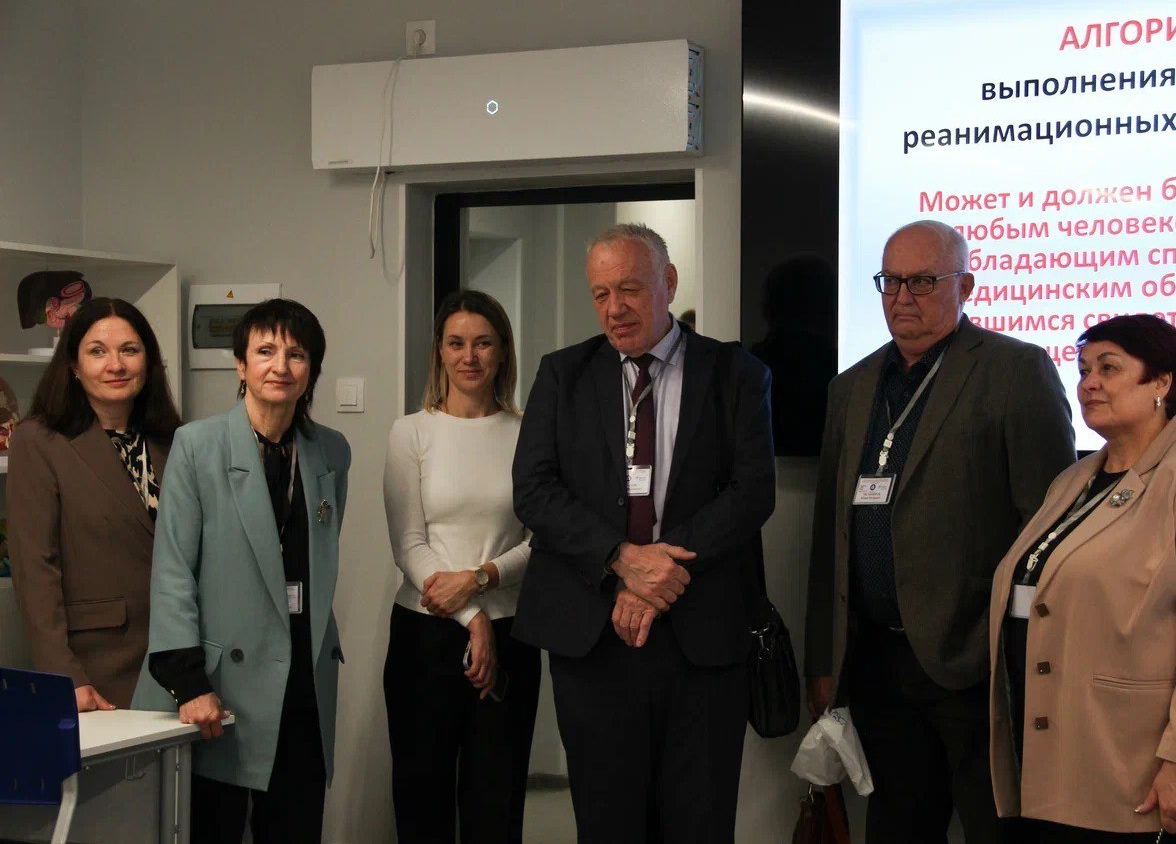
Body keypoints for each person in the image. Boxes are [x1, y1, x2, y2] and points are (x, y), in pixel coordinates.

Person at [805, 220, 1076, 842]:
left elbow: (1049, 527)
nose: (903, 297)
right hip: (876, 663)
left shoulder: (1015, 370)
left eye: (923, 281)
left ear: (966, 286)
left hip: (974, 663)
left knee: (994, 827)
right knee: (896, 827)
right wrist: (825, 658)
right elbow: (830, 537)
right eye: (891, 281)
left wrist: (1016, 651)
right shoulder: (851, 387)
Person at [512, 223, 775, 843]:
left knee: (698, 820)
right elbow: (534, 489)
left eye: (629, 289)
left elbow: (751, 493)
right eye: (600, 294)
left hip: (701, 636)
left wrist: (659, 572)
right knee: (607, 821)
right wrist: (620, 559)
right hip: (592, 635)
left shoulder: (735, 373)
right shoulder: (563, 374)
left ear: (669, 282)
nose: (615, 309)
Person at [989, 314, 1176, 842]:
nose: (1088, 383)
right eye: (1083, 369)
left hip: (1149, 770)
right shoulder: (1074, 478)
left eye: (1109, 368)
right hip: (1072, 756)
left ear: (1162, 382)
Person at [131, 299, 350, 844]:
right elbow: (173, 572)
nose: (281, 366)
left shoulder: (331, 450)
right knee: (213, 827)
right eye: (265, 351)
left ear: (312, 370)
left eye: (296, 354)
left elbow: (319, 557)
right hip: (217, 686)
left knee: (296, 826)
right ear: (241, 365)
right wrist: (188, 683)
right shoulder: (197, 445)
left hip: (303, 675)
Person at [382, 289, 539, 843]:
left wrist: (479, 581)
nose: (469, 356)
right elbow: (408, 542)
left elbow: (542, 541)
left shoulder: (529, 432)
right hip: (424, 635)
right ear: (439, 351)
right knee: (421, 801)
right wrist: (472, 618)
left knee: (496, 805)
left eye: (483, 343)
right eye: (456, 343)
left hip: (511, 634)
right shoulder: (411, 432)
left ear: (503, 351)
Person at [8, 297, 180, 711]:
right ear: (73, 364)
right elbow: (34, 568)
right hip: (97, 663)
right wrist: (63, 673)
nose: (115, 365)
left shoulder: (176, 440)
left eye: (129, 350)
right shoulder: (38, 441)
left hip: (179, 656)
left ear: (148, 361)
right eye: (97, 351)